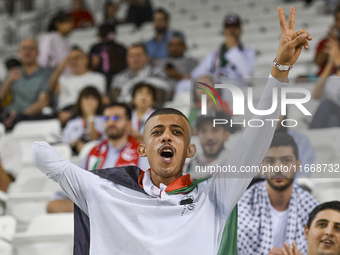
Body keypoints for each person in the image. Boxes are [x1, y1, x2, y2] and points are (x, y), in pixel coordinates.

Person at [31, 7, 312, 254]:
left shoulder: (214, 195)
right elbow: (40, 154)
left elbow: (256, 138)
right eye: (156, 132)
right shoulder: (106, 190)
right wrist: (109, 183)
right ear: (142, 148)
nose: (166, 136)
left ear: (190, 150)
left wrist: (280, 69)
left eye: (177, 132)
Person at [47, 103, 150, 213]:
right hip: (95, 206)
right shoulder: (93, 152)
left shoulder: (142, 151)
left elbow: (149, 190)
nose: (111, 122)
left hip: (126, 208)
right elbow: (75, 185)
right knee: (54, 205)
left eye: (116, 118)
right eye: (106, 118)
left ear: (129, 123)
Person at [238, 133, 319, 255]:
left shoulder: (312, 209)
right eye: (270, 161)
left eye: (286, 161)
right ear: (262, 167)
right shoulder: (242, 205)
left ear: (298, 166)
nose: (278, 168)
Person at [191, 13, 256, 100]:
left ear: (240, 30)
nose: (231, 30)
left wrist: (233, 50)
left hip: (238, 87)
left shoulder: (249, 53)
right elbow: (196, 74)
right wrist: (207, 76)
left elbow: (248, 75)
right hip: (217, 87)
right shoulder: (214, 54)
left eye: (235, 27)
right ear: (223, 31)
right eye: (228, 27)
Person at [0, 39, 53, 129]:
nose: (27, 52)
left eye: (31, 48)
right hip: (10, 116)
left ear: (37, 52)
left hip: (33, 118)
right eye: (24, 48)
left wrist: (19, 116)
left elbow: (43, 102)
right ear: (19, 52)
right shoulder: (13, 73)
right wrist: (8, 81)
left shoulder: (46, 73)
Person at [49, 46, 106, 126]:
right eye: (70, 59)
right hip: (63, 112)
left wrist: (72, 113)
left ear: (86, 59)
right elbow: (52, 88)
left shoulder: (98, 78)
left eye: (77, 58)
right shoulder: (63, 79)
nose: (73, 61)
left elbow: (98, 101)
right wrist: (61, 66)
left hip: (85, 112)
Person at [185, 110, 231, 180]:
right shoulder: (187, 169)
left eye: (215, 130)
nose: (209, 137)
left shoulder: (238, 164)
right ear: (198, 135)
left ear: (226, 135)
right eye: (203, 131)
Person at [62, 86, 104, 155]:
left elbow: (93, 137)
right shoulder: (72, 123)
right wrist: (72, 144)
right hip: (74, 155)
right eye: (86, 98)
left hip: (97, 154)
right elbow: (63, 145)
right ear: (80, 102)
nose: (90, 102)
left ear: (99, 103)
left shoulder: (103, 120)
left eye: (94, 99)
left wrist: (91, 117)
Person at [310, 38, 340, 128]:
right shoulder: (332, 79)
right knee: (332, 119)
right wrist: (330, 63)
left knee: (327, 104)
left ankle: (311, 136)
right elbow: (316, 95)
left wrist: (338, 62)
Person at [89, 23, 127, 91]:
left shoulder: (120, 48)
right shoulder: (95, 48)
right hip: (99, 76)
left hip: (117, 77)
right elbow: (92, 66)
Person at [314, 7, 340, 76]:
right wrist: (331, 41)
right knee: (300, 78)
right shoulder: (325, 41)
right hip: (324, 77)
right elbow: (319, 61)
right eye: (338, 20)